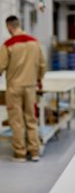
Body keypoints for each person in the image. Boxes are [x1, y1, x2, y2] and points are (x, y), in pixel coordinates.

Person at [0, 16, 46, 162]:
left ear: (9, 27)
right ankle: (34, 152)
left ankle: (20, 153)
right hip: (31, 86)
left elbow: (0, 67)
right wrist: (38, 79)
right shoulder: (34, 42)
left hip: (14, 87)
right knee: (31, 119)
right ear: (18, 24)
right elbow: (42, 65)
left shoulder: (8, 45)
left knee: (16, 121)